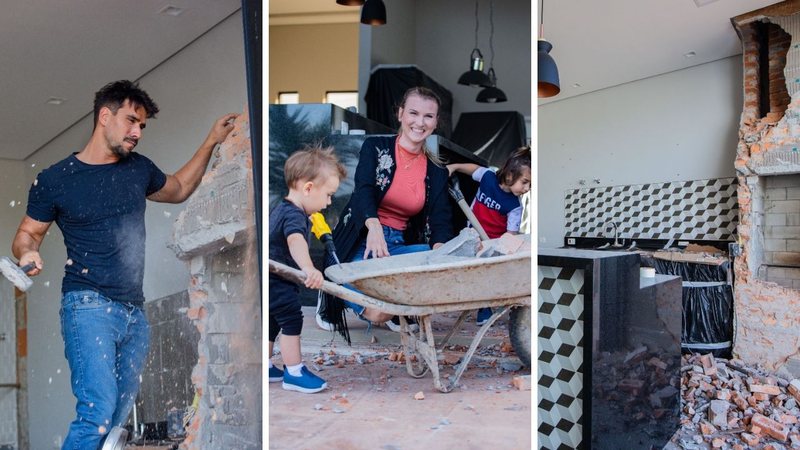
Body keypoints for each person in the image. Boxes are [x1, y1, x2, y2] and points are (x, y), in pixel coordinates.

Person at [11, 80, 236, 450]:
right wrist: (27, 252)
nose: (137, 132)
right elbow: (27, 234)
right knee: (97, 413)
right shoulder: (55, 180)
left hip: (135, 313)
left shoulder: (138, 169)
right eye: (131, 121)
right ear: (104, 116)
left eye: (142, 126)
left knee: (116, 421)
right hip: (88, 307)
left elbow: (178, 188)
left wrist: (211, 141)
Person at [316, 86, 454, 334]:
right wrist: (374, 225)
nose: (419, 122)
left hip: (399, 247)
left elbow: (441, 217)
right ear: (400, 114)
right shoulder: (376, 148)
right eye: (413, 113)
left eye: (428, 116)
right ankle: (332, 286)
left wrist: (439, 258)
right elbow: (363, 189)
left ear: (436, 122)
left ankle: (395, 302)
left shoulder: (437, 170)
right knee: (378, 312)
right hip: (363, 242)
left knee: (450, 264)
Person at [268, 145, 346, 393]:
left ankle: (265, 365)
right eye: (328, 195)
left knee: (271, 323)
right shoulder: (294, 217)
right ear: (309, 188)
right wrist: (308, 268)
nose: (329, 201)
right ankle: (294, 371)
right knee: (291, 319)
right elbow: (295, 240)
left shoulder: (282, 208)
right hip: (279, 279)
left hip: (269, 279)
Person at [447, 146, 531, 325]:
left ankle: (485, 307)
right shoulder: (488, 177)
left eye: (530, 184)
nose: (527, 188)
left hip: (492, 242)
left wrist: (502, 250)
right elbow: (472, 169)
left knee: (486, 274)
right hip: (471, 234)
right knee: (464, 266)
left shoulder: (514, 206)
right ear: (510, 174)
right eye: (525, 182)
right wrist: (454, 167)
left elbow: (510, 234)